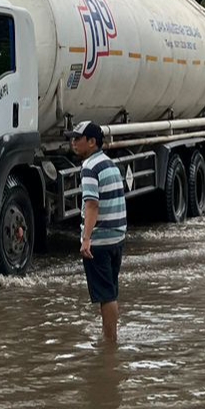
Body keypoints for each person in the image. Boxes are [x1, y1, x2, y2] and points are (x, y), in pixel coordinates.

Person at [69, 121, 126, 346]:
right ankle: (110, 336)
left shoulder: (89, 167)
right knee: (110, 291)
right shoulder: (109, 163)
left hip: (101, 241)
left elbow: (92, 204)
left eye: (78, 138)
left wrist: (86, 239)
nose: (73, 142)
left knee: (106, 295)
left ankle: (110, 342)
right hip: (117, 237)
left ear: (92, 142)